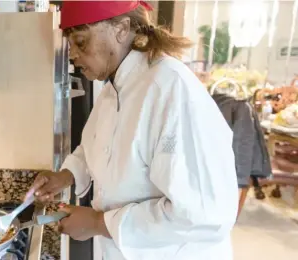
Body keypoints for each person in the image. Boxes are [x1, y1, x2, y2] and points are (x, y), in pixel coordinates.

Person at [25, 1, 239, 259]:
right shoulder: (113, 88)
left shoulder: (171, 90)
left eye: (81, 41)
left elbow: (203, 214)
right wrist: (67, 175)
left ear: (122, 28)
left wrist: (96, 223)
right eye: (70, 42)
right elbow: (99, 145)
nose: (72, 54)